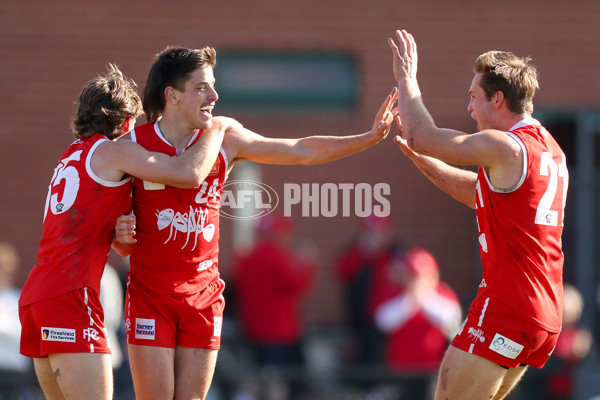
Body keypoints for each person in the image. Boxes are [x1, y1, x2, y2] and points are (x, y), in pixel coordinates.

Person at [113, 45, 398, 400]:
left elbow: (301, 150)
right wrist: (119, 235)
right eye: (202, 87)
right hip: (150, 297)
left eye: (213, 85)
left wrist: (367, 137)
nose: (214, 95)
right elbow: (114, 231)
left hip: (202, 298)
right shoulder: (132, 145)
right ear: (172, 95)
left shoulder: (226, 139)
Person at [18, 64, 234, 400]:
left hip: (37, 296)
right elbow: (186, 173)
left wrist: (120, 231)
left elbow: (93, 226)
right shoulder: (114, 150)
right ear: (126, 121)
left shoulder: (71, 157)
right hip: (72, 295)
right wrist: (217, 130)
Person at [388, 30, 568, 400]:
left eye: (474, 97)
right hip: (542, 311)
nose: (470, 108)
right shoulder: (547, 148)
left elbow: (423, 134)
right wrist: (421, 160)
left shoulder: (505, 145)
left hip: (507, 303)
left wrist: (407, 78)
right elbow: (478, 194)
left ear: (498, 99)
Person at [374, 247, 462, 399]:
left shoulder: (443, 293)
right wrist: (410, 301)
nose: (416, 281)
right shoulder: (395, 293)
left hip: (434, 368)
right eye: (412, 276)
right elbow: (383, 322)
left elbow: (452, 320)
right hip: (401, 369)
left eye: (421, 276)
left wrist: (425, 298)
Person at [232, 213, 316, 367]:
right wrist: (306, 265)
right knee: (280, 376)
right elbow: (296, 286)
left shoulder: (247, 258)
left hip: (254, 327)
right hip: (279, 329)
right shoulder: (277, 258)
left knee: (262, 372)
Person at [334, 214, 398, 363]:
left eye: (379, 232)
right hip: (361, 317)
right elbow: (342, 271)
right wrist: (363, 253)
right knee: (364, 354)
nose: (375, 237)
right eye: (370, 232)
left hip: (390, 318)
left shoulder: (396, 253)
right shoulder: (355, 252)